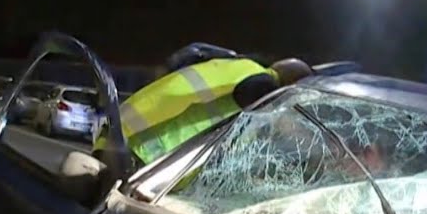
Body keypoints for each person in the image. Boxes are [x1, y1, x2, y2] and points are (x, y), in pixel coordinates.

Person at [93, 44, 313, 168]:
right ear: (291, 85)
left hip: (122, 132)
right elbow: (254, 96)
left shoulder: (235, 66)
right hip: (149, 151)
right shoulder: (264, 82)